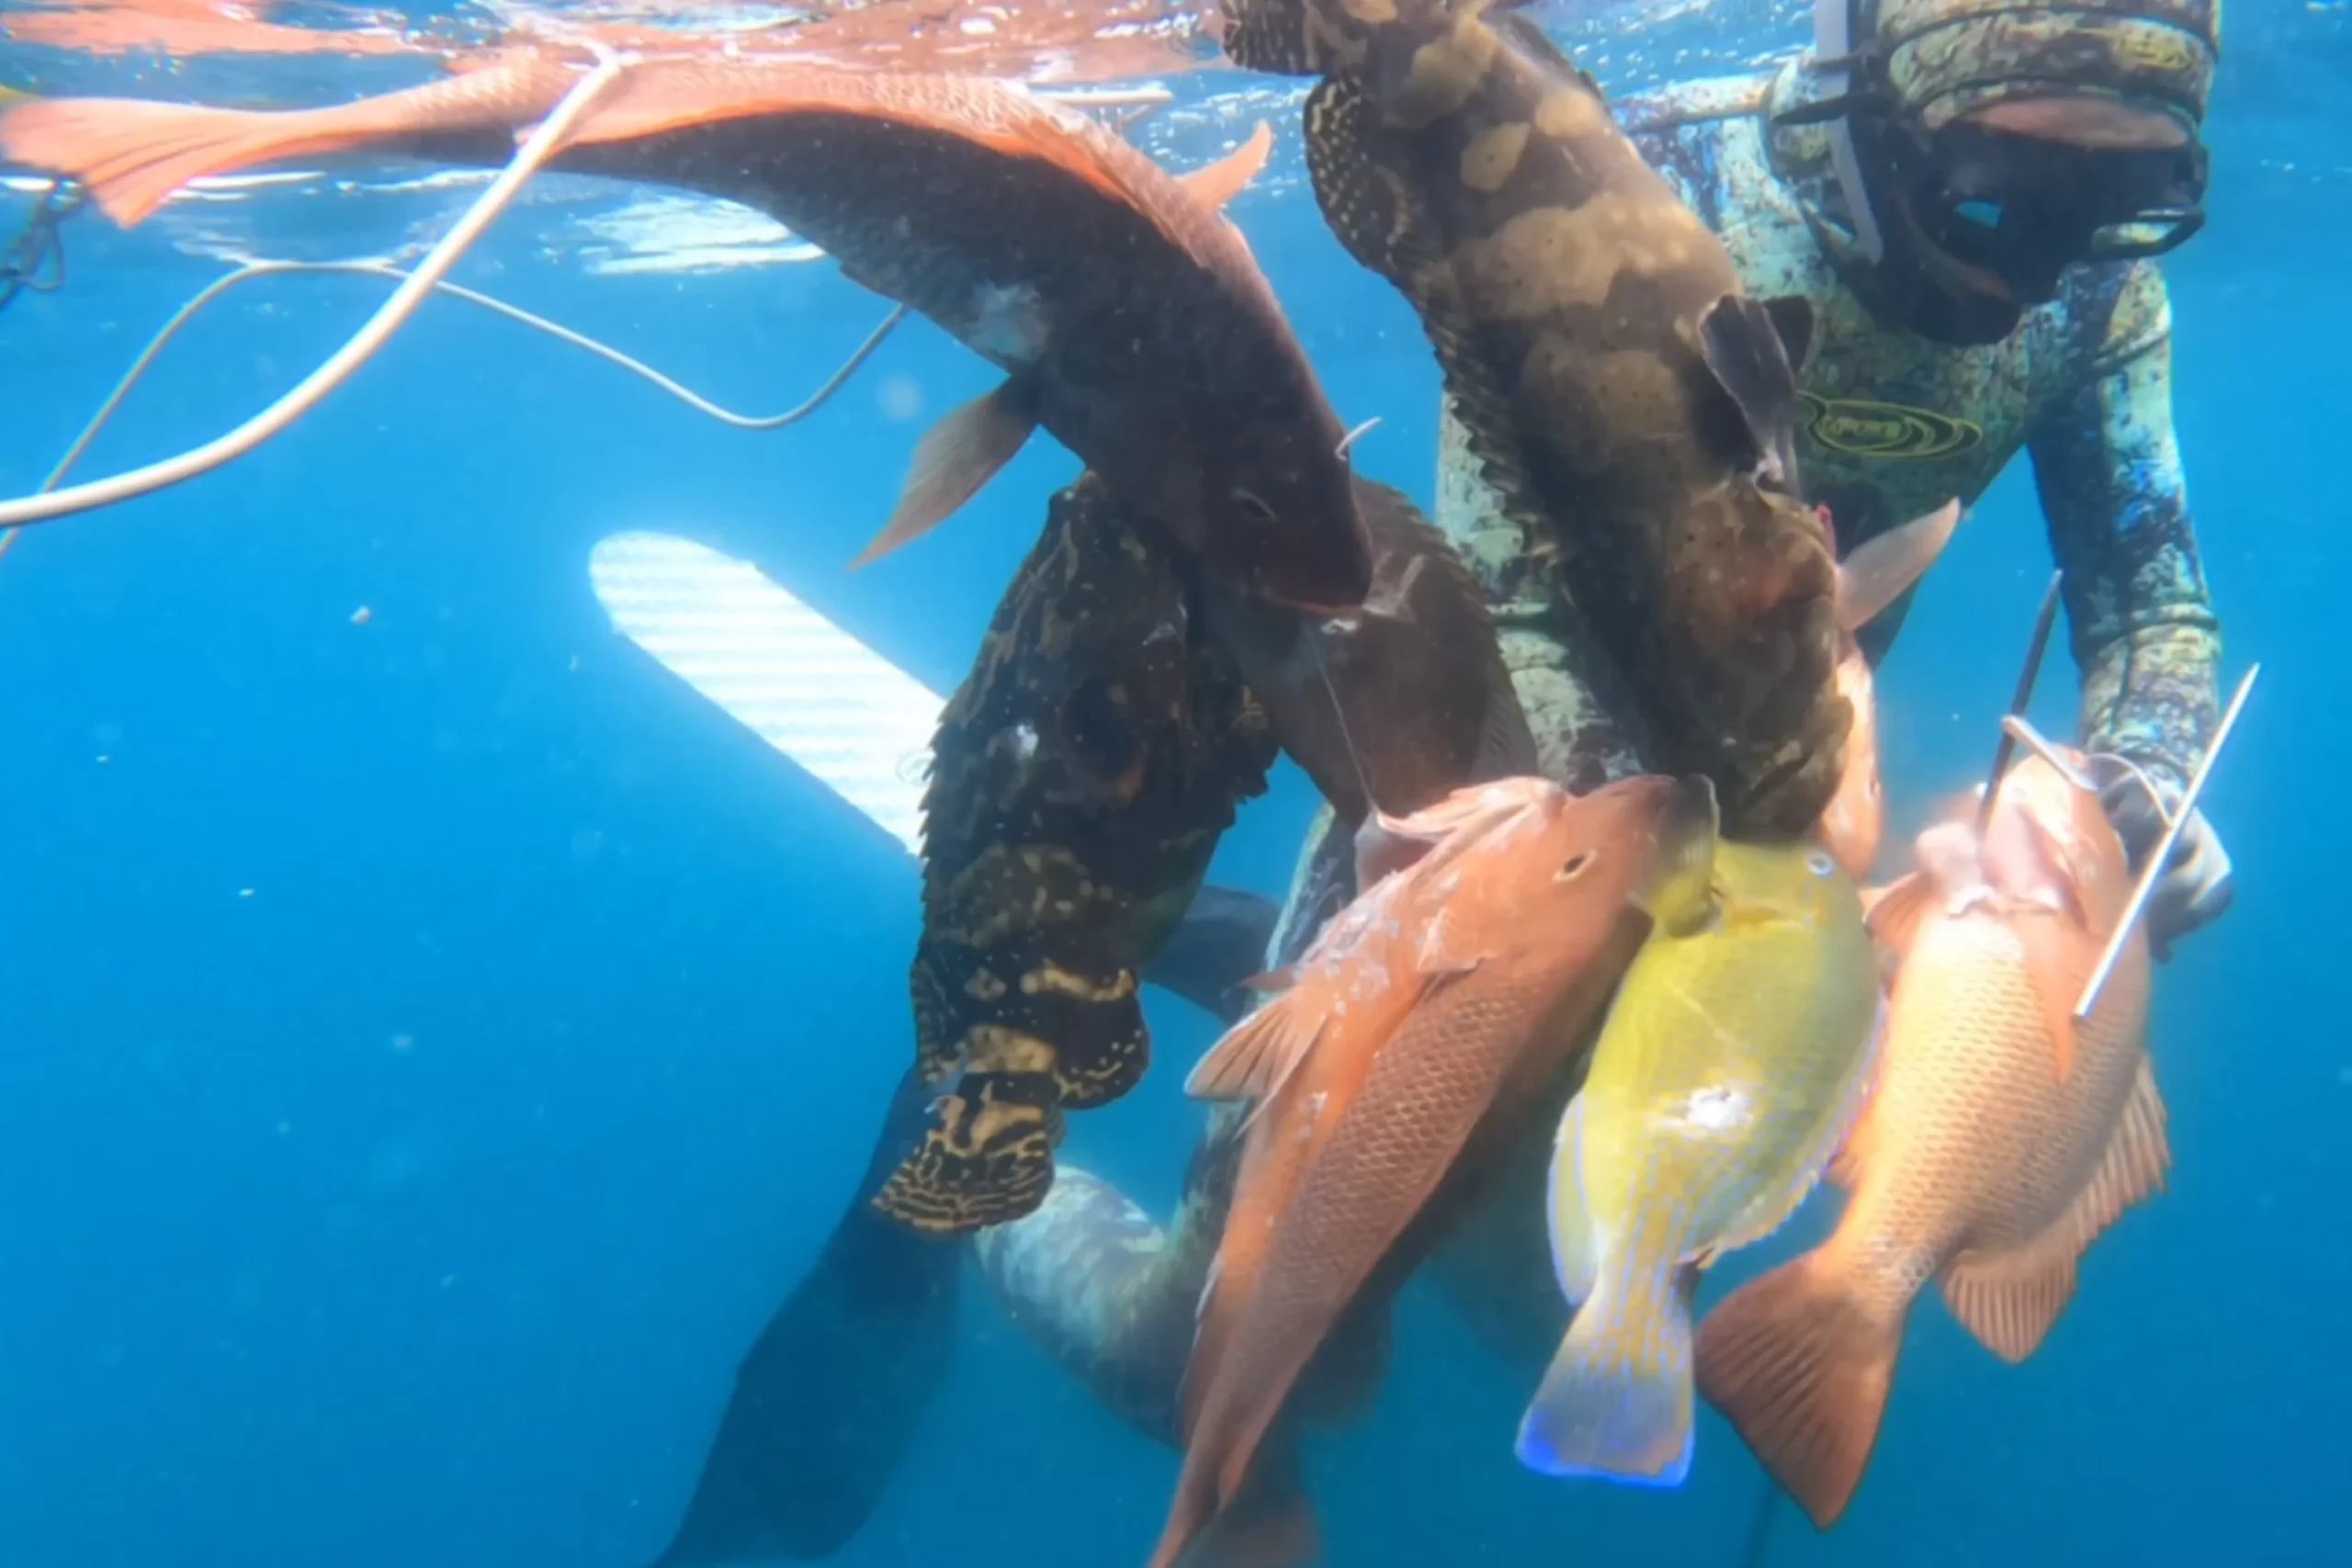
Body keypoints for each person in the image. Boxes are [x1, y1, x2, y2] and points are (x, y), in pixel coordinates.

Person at [1452, 0, 2233, 953]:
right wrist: (1652, 873)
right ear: (1870, 107)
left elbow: (2146, 609)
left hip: (1781, 849)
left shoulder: (2099, 297)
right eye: (1988, 201)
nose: (2041, 270)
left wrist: (2146, 783)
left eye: (2118, 208)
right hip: (1482, 801)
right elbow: (1494, 606)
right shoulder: (1633, 186)